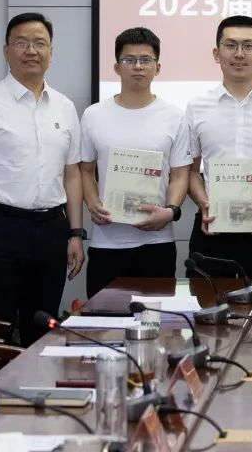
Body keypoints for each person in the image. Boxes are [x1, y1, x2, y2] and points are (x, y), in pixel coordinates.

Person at [0, 12, 84, 346]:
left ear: (51, 52)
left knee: (42, 329)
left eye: (39, 43)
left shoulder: (65, 107)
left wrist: (75, 233)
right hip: (1, 230)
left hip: (52, 230)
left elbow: (72, 174)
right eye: (22, 43)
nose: (31, 51)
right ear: (6, 51)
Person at [79, 27, 191, 300]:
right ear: (117, 67)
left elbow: (180, 175)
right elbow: (85, 171)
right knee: (104, 320)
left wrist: (170, 211)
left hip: (157, 243)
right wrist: (92, 204)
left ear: (157, 67)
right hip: (106, 242)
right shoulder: (94, 115)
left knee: (157, 319)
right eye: (129, 60)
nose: (138, 67)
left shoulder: (174, 117)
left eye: (145, 60)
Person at [185, 16, 252, 280]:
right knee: (207, 304)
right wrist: (203, 203)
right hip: (212, 228)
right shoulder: (197, 107)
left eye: (248, 46)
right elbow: (190, 172)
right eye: (230, 45)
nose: (239, 54)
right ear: (216, 53)